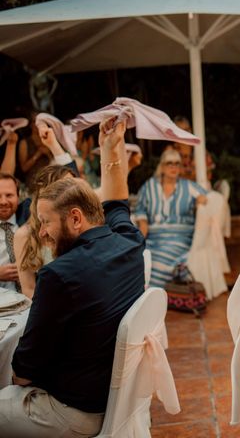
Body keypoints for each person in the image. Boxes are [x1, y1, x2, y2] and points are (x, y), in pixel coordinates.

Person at [0, 116, 145, 437]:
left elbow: (24, 372)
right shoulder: (129, 242)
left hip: (72, 411)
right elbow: (118, 201)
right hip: (109, 396)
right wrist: (110, 148)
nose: (42, 232)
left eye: (45, 222)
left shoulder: (59, 275)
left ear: (75, 218)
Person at [133, 148, 207, 288]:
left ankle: (151, 297)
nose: (173, 167)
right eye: (169, 163)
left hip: (179, 238)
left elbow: (206, 198)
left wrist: (200, 202)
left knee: (159, 261)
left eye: (177, 163)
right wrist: (140, 238)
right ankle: (144, 297)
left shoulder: (188, 186)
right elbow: (141, 211)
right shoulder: (149, 186)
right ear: (162, 166)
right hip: (154, 238)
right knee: (139, 257)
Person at [14, 165, 74, 299]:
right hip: (47, 306)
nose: (74, 191)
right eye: (67, 187)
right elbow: (29, 288)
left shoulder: (77, 226)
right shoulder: (24, 235)